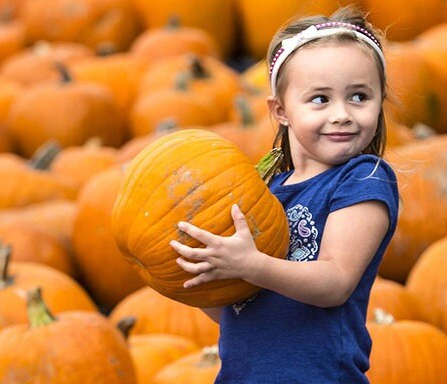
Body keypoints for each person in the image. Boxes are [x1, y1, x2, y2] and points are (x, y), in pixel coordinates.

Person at [168, 6, 400, 383]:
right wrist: (194, 281)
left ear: (380, 101)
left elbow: (335, 282)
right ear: (281, 111)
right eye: (320, 99)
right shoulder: (265, 193)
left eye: (359, 97)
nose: (342, 114)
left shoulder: (363, 179)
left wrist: (251, 265)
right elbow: (240, 311)